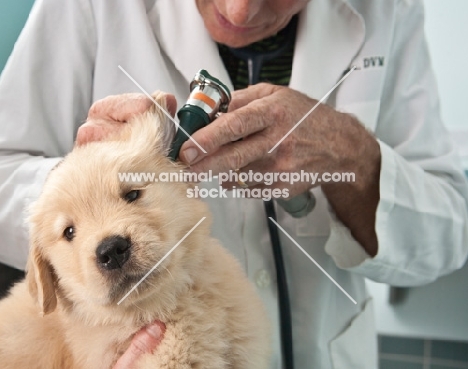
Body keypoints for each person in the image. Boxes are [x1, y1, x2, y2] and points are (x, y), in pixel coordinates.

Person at [0, 0, 467, 368]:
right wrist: (84, 183)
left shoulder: (389, 11)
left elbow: (448, 231)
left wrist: (353, 156)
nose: (240, 10)